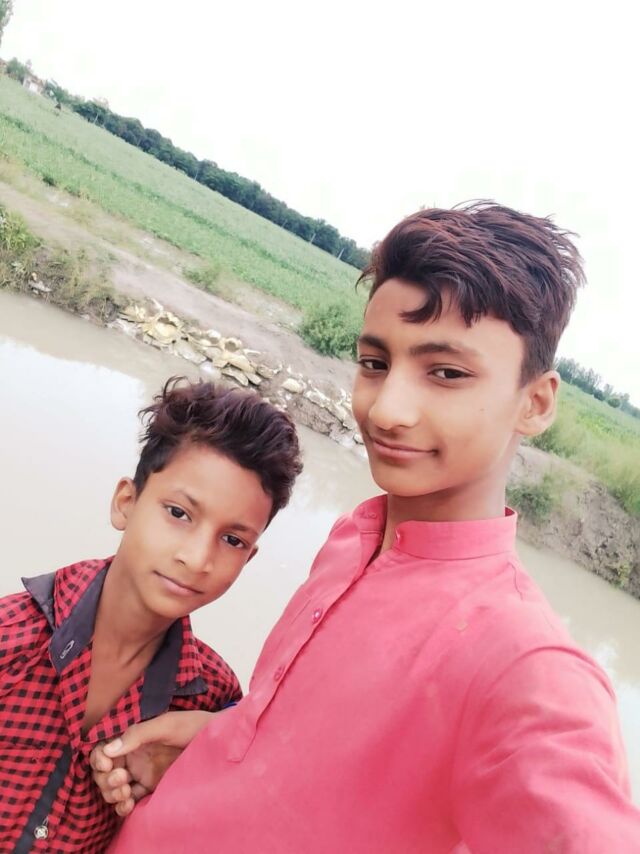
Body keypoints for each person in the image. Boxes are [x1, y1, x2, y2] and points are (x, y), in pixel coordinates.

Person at [96, 204, 640, 853]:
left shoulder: (527, 668)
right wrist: (223, 735)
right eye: (375, 363)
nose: (386, 410)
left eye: (446, 373)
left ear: (536, 402)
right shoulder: (354, 538)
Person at [0, 378, 301, 853]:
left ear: (249, 559)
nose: (197, 558)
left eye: (232, 540)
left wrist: (188, 770)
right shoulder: (9, 641)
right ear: (126, 502)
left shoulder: (212, 702)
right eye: (179, 513)